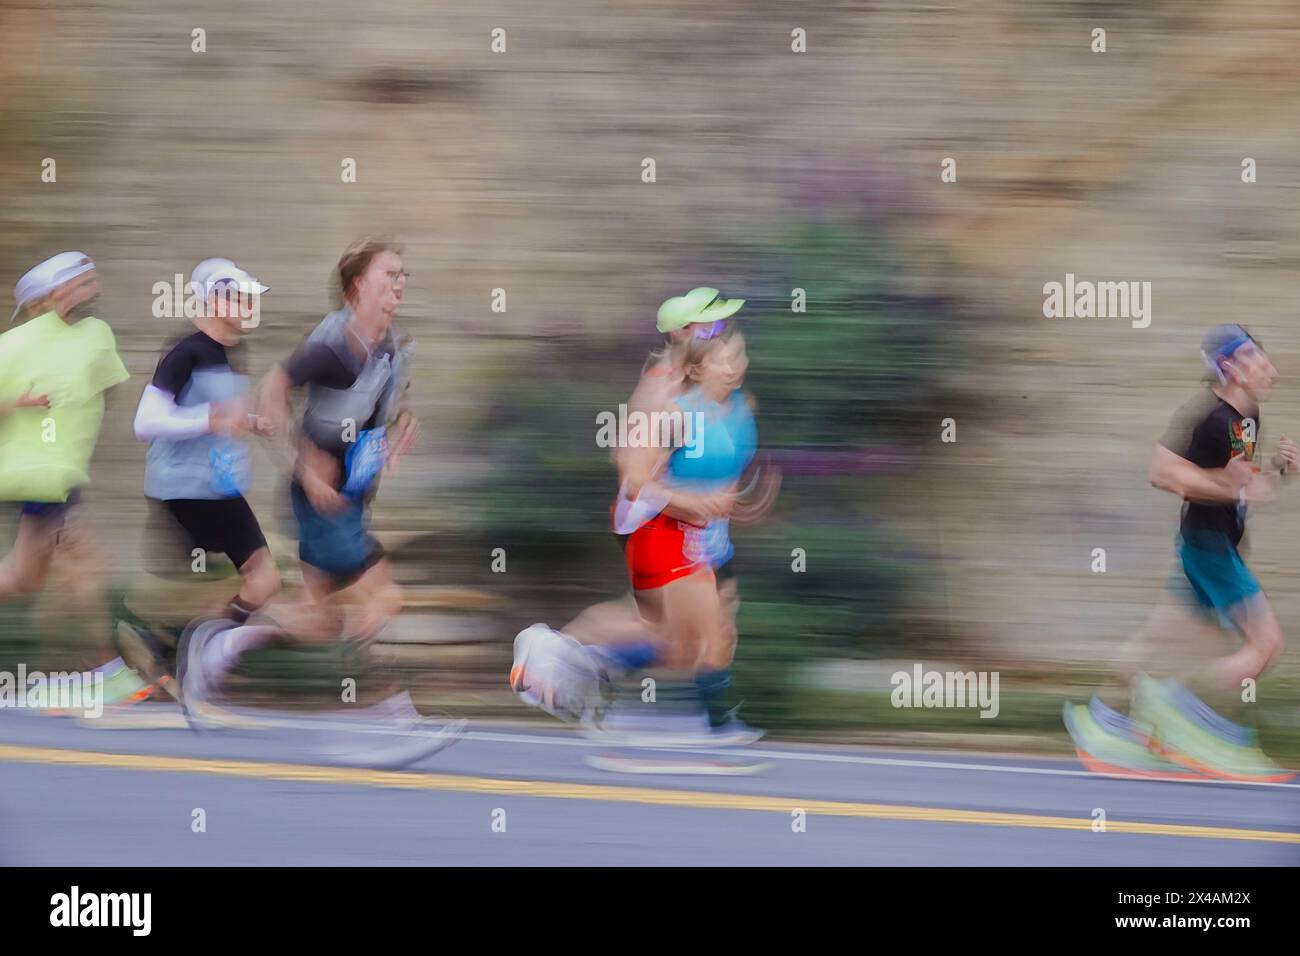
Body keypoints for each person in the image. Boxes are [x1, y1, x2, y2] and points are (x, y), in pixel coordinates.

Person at [513, 295, 776, 744]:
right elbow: (631, 469)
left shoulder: (712, 384)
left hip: (698, 527)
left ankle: (582, 663)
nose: (720, 335)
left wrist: (726, 501)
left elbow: (715, 450)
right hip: (652, 522)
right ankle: (563, 656)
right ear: (681, 333)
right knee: (674, 633)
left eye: (722, 327)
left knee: (703, 629)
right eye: (709, 327)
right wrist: (692, 502)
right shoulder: (661, 389)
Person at [177, 238, 419, 716]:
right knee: (384, 598)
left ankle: (226, 646)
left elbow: (390, 408)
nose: (399, 282)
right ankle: (390, 713)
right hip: (323, 502)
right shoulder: (335, 348)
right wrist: (306, 470)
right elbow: (273, 388)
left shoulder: (388, 347)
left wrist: (402, 428)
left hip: (346, 500)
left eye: (401, 274)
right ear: (356, 288)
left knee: (319, 620)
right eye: (388, 274)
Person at [1064, 324, 1294, 782]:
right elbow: (1168, 474)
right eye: (1254, 357)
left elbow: (1247, 488)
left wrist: (1280, 473)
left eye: (1263, 354)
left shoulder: (1245, 418)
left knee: (1159, 640)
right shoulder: (1216, 420)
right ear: (1230, 367)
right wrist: (1237, 487)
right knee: (1266, 644)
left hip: (1211, 543)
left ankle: (1104, 723)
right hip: (1209, 546)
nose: (1269, 366)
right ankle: (1185, 717)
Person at [119, 258, 279, 694]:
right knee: (257, 579)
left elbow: (219, 413)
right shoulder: (185, 352)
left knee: (260, 581)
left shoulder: (231, 353)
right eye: (241, 297)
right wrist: (208, 419)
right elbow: (145, 422)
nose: (248, 305)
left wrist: (248, 420)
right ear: (215, 299)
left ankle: (168, 643)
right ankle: (187, 653)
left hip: (220, 487)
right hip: (186, 488)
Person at [0, 251, 147, 705]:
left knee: (23, 579)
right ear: (49, 296)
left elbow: (107, 386)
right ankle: (105, 671)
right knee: (84, 566)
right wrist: (16, 404)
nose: (93, 289)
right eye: (81, 282)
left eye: (92, 281)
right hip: (36, 475)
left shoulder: (89, 337)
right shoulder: (15, 346)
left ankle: (81, 676)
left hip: (58, 473)